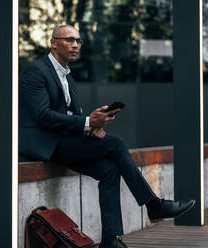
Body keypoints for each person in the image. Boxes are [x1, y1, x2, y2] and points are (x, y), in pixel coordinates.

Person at [19, 24, 195, 248]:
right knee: (116, 143)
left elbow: (71, 114)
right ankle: (153, 204)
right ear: (54, 42)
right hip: (44, 143)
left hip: (63, 140)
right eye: (69, 40)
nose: (75, 45)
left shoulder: (67, 77)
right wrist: (86, 123)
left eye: (78, 41)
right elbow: (43, 117)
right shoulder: (36, 71)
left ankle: (111, 239)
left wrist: (91, 125)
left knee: (109, 169)